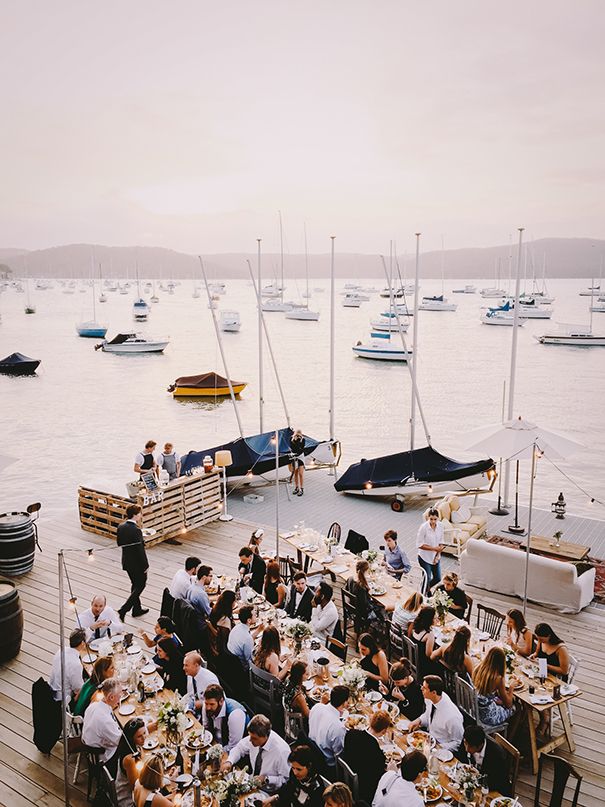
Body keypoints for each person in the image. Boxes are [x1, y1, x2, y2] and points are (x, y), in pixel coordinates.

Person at [224, 714, 291, 791]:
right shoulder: (254, 737)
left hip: (269, 792)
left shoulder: (282, 751)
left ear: (266, 736)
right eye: (250, 736)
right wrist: (229, 761)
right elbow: (239, 748)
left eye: (254, 738)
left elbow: (285, 779)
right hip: (251, 784)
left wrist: (266, 779)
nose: (250, 740)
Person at [343, 709, 391, 803]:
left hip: (350, 773)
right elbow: (379, 777)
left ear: (370, 722)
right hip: (365, 788)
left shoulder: (351, 734)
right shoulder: (377, 754)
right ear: (384, 731)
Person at [408, 675, 464, 752]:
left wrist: (437, 748)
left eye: (424, 688)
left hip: (441, 749)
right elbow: (429, 714)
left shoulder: (452, 717)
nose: (421, 689)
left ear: (434, 692)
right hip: (428, 741)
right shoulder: (430, 698)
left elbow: (458, 742)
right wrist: (419, 720)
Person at [455, 725, 511, 796]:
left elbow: (497, 782)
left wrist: (478, 777)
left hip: (492, 789)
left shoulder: (497, 755)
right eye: (465, 743)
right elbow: (460, 757)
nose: (466, 749)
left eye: (470, 747)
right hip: (473, 785)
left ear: (480, 745)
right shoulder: (468, 740)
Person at [82, 677, 123, 770]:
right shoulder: (105, 721)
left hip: (92, 748)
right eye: (119, 695)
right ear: (111, 697)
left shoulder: (93, 706)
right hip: (104, 757)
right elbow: (121, 741)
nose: (121, 696)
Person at [117, 504, 149, 621]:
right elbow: (140, 551)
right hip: (137, 564)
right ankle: (124, 609)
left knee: (135, 584)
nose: (141, 515)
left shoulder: (121, 527)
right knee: (141, 585)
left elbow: (120, 543)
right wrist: (145, 565)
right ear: (135, 515)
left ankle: (137, 609)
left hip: (127, 562)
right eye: (140, 513)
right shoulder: (136, 530)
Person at [308, 685, 350, 769]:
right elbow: (339, 755)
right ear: (345, 703)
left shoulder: (317, 707)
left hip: (312, 748)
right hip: (327, 763)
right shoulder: (338, 727)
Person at [472, 647, 515, 727]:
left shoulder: (478, 669)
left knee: (501, 702)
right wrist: (511, 687)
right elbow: (508, 704)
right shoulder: (498, 678)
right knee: (515, 707)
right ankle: (509, 735)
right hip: (488, 716)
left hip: (476, 709)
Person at [201, 683, 248, 752]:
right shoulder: (206, 706)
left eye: (212, 704)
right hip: (215, 744)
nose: (208, 708)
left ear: (221, 701)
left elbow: (234, 747)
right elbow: (206, 727)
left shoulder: (235, 715)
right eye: (206, 703)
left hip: (237, 752)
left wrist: (213, 752)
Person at [115, 717, 148, 807]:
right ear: (131, 738)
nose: (144, 738)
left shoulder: (135, 746)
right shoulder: (129, 759)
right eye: (139, 736)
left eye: (144, 733)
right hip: (129, 799)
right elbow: (136, 786)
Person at [49, 628, 86, 704]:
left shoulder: (60, 651)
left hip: (52, 689)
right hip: (63, 699)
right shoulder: (76, 664)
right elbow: (78, 689)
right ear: (82, 643)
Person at [416, 508, 446, 592]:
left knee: (438, 578)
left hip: (436, 556)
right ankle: (422, 596)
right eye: (431, 519)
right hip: (424, 557)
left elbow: (441, 541)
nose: (433, 521)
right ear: (428, 517)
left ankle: (426, 589)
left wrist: (437, 555)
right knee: (427, 578)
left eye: (435, 519)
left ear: (438, 518)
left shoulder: (441, 526)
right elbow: (419, 544)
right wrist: (434, 549)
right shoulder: (423, 527)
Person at [345, 559, 376, 632]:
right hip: (360, 611)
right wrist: (372, 603)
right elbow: (364, 604)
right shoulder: (361, 586)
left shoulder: (350, 578)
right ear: (365, 571)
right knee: (380, 608)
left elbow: (346, 589)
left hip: (352, 607)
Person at [227, 605, 262, 669]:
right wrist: (259, 648)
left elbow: (247, 640)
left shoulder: (237, 627)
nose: (256, 616)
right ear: (249, 620)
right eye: (254, 615)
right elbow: (250, 660)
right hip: (241, 667)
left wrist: (259, 630)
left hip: (231, 659)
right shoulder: (247, 638)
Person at [409, 606, 438, 677]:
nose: (436, 619)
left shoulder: (415, 626)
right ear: (430, 620)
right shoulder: (429, 635)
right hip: (423, 665)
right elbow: (429, 655)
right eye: (435, 618)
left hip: (413, 657)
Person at [208, 590, 237, 656]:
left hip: (216, 642)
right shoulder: (224, 620)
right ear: (230, 603)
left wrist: (234, 611)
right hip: (224, 648)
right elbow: (224, 637)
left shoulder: (217, 608)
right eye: (234, 601)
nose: (235, 603)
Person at [290, 429, 306, 496]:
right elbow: (292, 448)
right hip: (294, 457)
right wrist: (295, 440)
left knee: (301, 474)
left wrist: (299, 440)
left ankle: (301, 488)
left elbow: (301, 449)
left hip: (300, 457)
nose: (298, 435)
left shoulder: (303, 440)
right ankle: (296, 487)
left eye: (299, 434)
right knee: (295, 473)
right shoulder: (291, 439)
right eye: (297, 434)